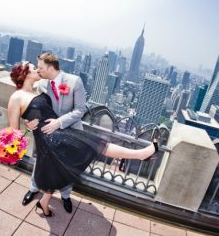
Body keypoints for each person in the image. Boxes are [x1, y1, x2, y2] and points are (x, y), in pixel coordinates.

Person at [8, 62, 158, 217]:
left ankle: (44, 203)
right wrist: (27, 125)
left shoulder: (38, 89)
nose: (37, 70)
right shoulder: (16, 97)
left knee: (61, 169)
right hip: (49, 140)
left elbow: (41, 110)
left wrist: (31, 121)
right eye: (33, 68)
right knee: (95, 145)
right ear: (24, 74)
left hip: (59, 133)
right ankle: (140, 154)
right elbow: (14, 131)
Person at [21, 52, 87, 213]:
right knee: (41, 162)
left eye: (41, 67)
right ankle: (34, 188)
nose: (38, 70)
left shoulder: (74, 81)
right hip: (48, 134)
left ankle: (65, 196)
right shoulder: (42, 85)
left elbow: (81, 110)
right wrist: (27, 121)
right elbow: (34, 106)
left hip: (71, 132)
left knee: (66, 166)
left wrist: (60, 122)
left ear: (51, 68)